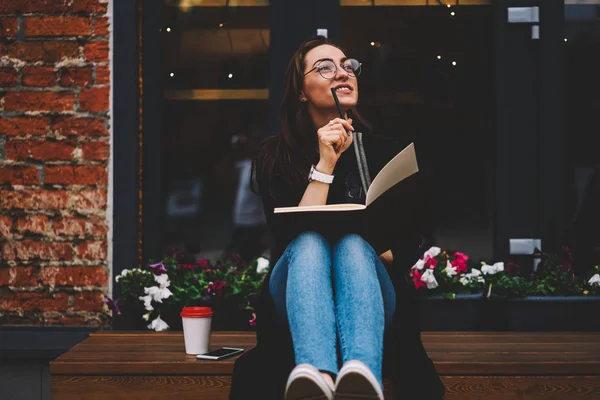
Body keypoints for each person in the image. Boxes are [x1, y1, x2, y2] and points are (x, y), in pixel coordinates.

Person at [230, 36, 445, 400]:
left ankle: (361, 374)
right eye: (325, 67)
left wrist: (365, 251)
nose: (342, 73)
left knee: (350, 246)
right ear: (300, 91)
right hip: (296, 295)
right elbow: (289, 237)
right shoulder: (276, 155)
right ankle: (315, 372)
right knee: (311, 242)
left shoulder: (384, 150)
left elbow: (412, 240)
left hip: (371, 295)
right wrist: (325, 163)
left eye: (347, 65)